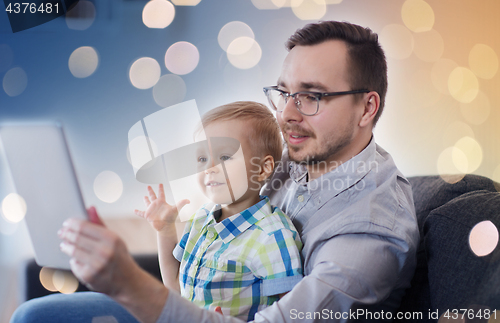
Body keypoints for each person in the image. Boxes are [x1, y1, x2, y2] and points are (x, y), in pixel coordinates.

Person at [10, 20, 419, 323]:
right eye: (283, 93)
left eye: (311, 97)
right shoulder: (301, 156)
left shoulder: (371, 230)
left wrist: (131, 283)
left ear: (367, 108)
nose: (286, 115)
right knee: (36, 314)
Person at [133, 102, 303, 321]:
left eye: (224, 157)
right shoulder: (200, 220)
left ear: (263, 168)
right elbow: (175, 289)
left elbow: (295, 314)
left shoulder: (272, 237)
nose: (209, 168)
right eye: (202, 158)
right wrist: (165, 230)